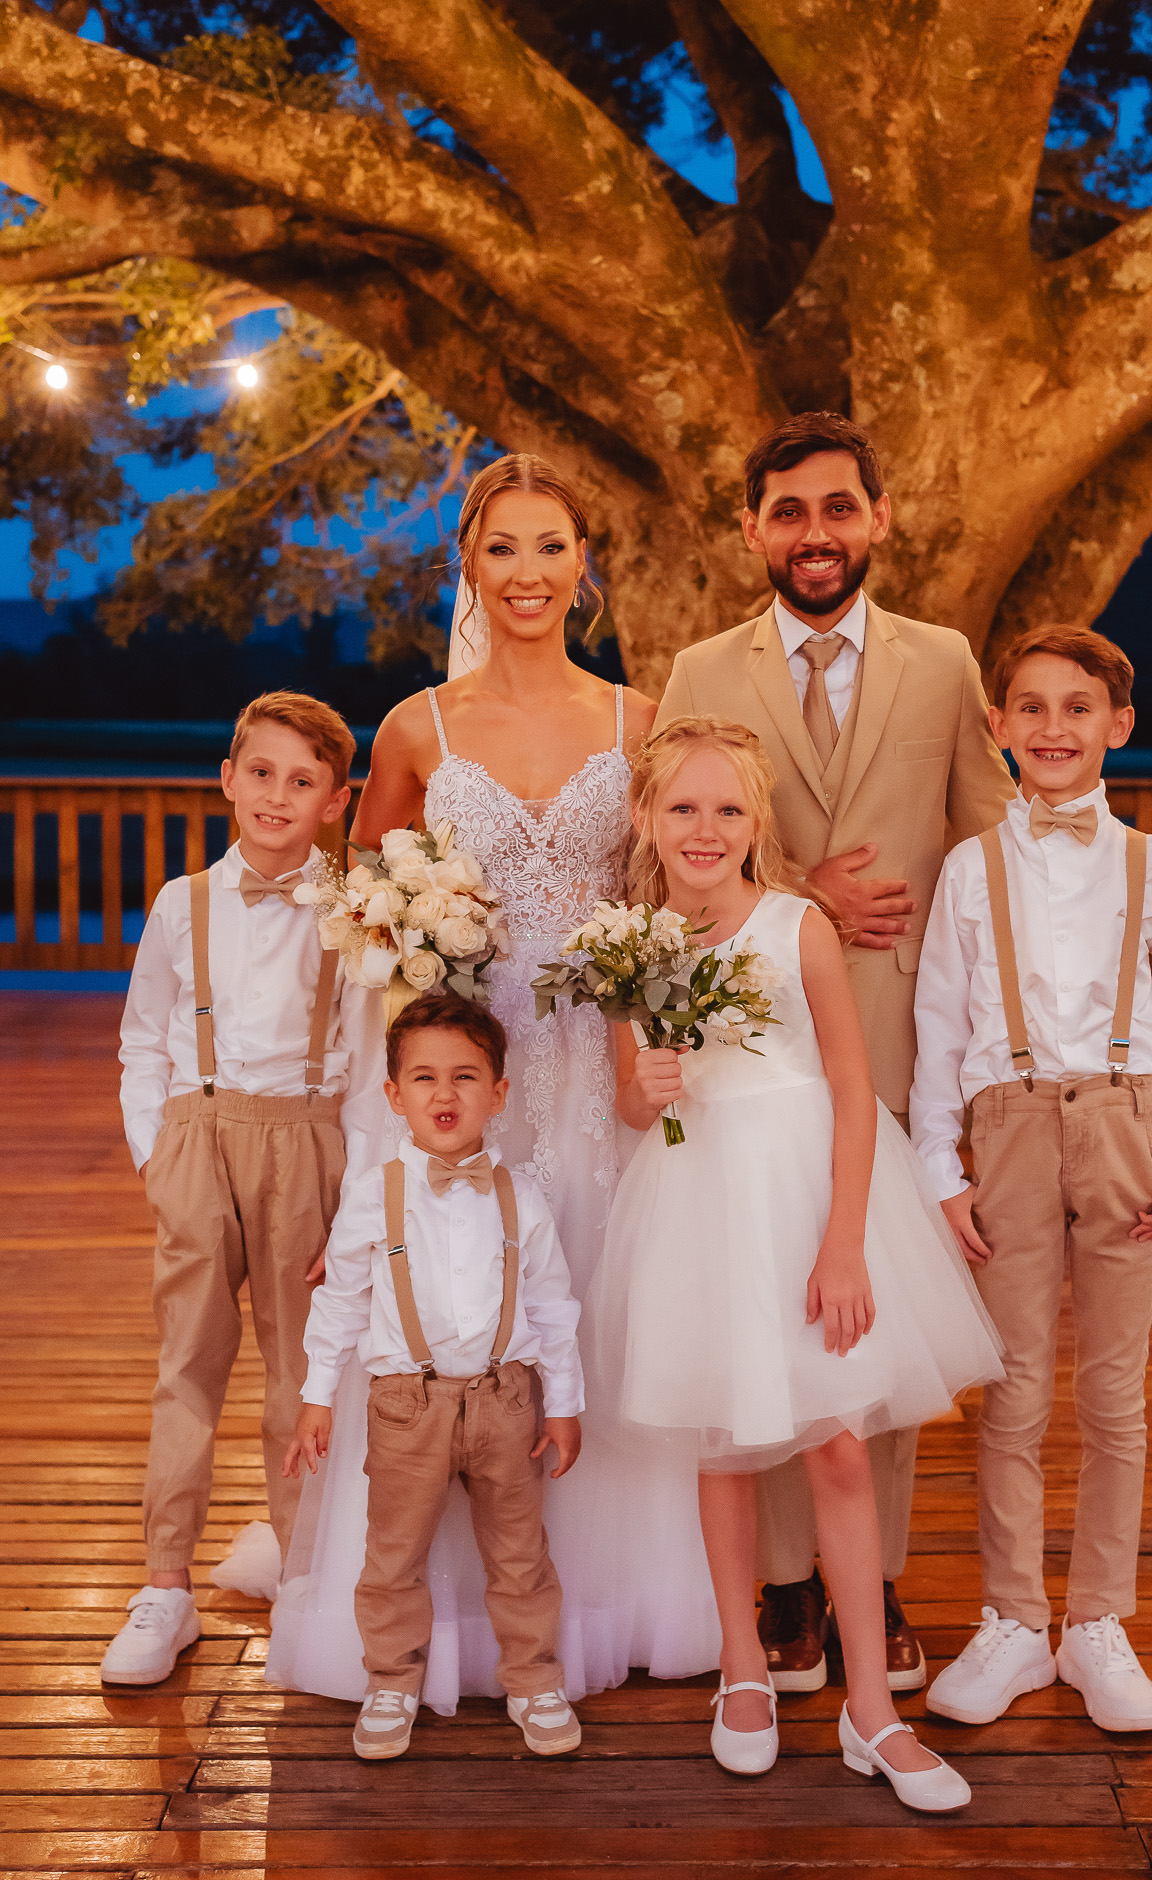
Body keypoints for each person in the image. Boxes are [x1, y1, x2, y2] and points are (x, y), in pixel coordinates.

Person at [265, 452, 718, 1710]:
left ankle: (607, 1605)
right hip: (464, 1067)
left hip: (594, 1070)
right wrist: (398, 1076)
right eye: (503, 546)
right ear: (468, 563)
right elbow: (373, 924)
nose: (528, 571)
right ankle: (436, 1627)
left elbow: (671, 885)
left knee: (589, 1315)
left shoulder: (637, 719)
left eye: (551, 545)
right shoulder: (418, 726)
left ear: (584, 564)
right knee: (449, 1309)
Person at [655, 412, 1015, 1691]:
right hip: (747, 1045)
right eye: (789, 511)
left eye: (838, 507)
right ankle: (787, 1586)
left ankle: (880, 1578)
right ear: (752, 528)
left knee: (873, 1311)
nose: (815, 532)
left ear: (877, 517)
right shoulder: (700, 666)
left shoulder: (941, 661)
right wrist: (808, 888)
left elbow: (986, 849)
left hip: (899, 1037)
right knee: (758, 1301)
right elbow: (673, 843)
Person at [585, 716, 1002, 1807]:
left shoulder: (796, 925)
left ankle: (872, 1710)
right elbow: (631, 1101)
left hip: (808, 1202)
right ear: (646, 817)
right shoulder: (631, 946)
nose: (705, 828)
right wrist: (646, 1087)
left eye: (727, 809)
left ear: (755, 821)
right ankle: (742, 1668)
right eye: (683, 807)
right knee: (721, 1448)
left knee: (839, 1450)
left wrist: (844, 1243)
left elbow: (853, 1093)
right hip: (696, 1209)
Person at [912, 624, 1152, 1734]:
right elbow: (938, 1024)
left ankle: (1096, 1620)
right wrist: (938, 1167)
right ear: (999, 726)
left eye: (1077, 707)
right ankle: (1011, 1617)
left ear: (1117, 725)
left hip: (1124, 1122)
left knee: (1112, 1389)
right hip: (1003, 1127)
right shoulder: (968, 868)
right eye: (1032, 708)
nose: (1054, 728)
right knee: (1010, 1387)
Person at [102, 692, 386, 1687]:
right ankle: (165, 1584)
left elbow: (366, 1069)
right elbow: (143, 1037)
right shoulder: (180, 904)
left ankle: (303, 1573)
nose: (276, 794)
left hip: (306, 1146)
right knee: (187, 1364)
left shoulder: (355, 914)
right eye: (260, 772)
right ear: (227, 778)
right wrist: (157, 1157)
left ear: (335, 802)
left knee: (301, 1375)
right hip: (197, 1137)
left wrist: (354, 1204)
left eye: (302, 781)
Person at [286, 991, 585, 1762]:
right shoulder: (371, 1196)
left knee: (519, 1553)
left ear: (499, 1093)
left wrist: (564, 1403)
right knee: (393, 1555)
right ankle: (391, 1680)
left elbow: (552, 1306)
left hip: (506, 1399)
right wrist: (317, 1397)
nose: (443, 1094)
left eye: (464, 1076)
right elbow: (340, 1301)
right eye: (423, 1078)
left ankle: (533, 1678)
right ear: (394, 1095)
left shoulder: (522, 1197)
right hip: (404, 1405)